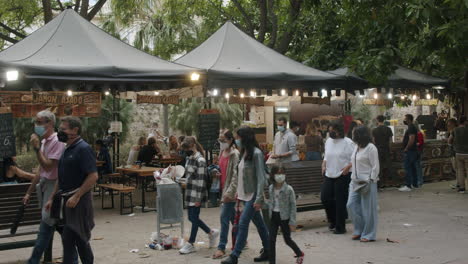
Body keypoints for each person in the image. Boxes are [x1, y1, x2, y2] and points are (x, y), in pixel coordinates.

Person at [45, 116, 98, 264]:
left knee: (74, 238)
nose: (60, 132)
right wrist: (51, 198)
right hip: (66, 202)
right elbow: (61, 177)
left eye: (63, 129)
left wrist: (77, 196)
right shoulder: (66, 148)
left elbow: (93, 176)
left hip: (78, 203)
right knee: (77, 240)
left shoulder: (83, 148)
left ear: (75, 130)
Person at [221, 126, 270, 264]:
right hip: (244, 195)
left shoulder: (256, 154)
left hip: (253, 195)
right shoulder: (244, 153)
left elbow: (261, 178)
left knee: (242, 223)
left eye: (238, 137)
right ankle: (268, 249)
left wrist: (259, 198)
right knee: (260, 224)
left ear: (245, 138)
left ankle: (234, 256)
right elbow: (241, 175)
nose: (236, 140)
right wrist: (237, 192)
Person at [23, 110, 66, 264]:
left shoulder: (56, 141)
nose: (37, 126)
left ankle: (33, 260)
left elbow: (48, 167)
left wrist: (36, 150)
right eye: (36, 122)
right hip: (45, 186)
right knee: (57, 224)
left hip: (54, 187)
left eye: (41, 122)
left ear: (51, 124)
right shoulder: (44, 142)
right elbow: (41, 170)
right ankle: (75, 254)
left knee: (47, 223)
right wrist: (28, 192)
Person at [179, 136, 219, 254]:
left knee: (194, 217)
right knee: (192, 217)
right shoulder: (189, 158)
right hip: (189, 192)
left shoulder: (200, 160)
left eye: (187, 148)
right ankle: (211, 233)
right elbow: (189, 176)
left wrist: (198, 198)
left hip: (196, 193)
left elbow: (202, 182)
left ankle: (191, 243)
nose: (186, 151)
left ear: (193, 146)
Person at [321, 121, 354, 234]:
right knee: (325, 197)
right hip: (329, 173)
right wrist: (324, 164)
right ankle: (332, 220)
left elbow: (355, 158)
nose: (331, 133)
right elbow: (326, 154)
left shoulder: (348, 142)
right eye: (329, 131)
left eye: (333, 131)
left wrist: (348, 167)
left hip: (342, 174)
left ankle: (340, 227)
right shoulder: (329, 141)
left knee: (340, 200)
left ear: (339, 131)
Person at [347, 126, 380, 242]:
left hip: (367, 181)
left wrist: (371, 180)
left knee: (369, 209)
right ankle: (359, 230)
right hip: (354, 181)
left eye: (353, 133)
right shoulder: (356, 147)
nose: (352, 135)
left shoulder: (371, 148)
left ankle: (369, 234)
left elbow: (375, 166)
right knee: (350, 205)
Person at [267, 164, 305, 264]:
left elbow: (293, 206)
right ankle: (272, 262)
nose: (280, 176)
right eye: (278, 173)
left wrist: (292, 221)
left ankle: (299, 253)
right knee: (271, 240)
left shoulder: (289, 189)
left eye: (282, 173)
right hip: (273, 216)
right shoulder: (271, 188)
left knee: (287, 239)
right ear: (273, 175)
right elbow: (271, 202)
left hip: (284, 217)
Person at [212, 130, 240, 259]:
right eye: (219, 140)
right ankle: (241, 240)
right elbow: (223, 169)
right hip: (223, 189)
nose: (221, 142)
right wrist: (217, 173)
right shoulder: (222, 152)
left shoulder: (235, 154)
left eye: (223, 140)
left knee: (224, 218)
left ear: (230, 140)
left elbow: (235, 175)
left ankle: (221, 247)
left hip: (230, 192)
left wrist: (229, 193)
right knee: (232, 218)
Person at [399, 114, 419, 191]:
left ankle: (408, 185)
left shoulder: (411, 127)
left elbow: (411, 139)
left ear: (408, 119)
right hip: (413, 150)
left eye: (405, 118)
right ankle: (414, 184)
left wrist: (406, 148)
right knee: (413, 168)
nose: (404, 120)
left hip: (410, 151)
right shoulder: (412, 127)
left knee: (407, 167)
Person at [449, 116, 468, 193]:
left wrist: (454, 146)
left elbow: (450, 140)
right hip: (467, 153)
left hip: (458, 153)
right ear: (464, 122)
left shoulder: (454, 130)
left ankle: (462, 188)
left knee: (460, 171)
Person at [372, 115, 393, 180]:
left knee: (379, 164)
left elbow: (373, 141)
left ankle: (379, 179)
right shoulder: (388, 129)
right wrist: (390, 149)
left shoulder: (374, 130)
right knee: (389, 164)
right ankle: (391, 178)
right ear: (383, 120)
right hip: (386, 148)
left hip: (378, 149)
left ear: (377, 120)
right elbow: (390, 141)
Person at [414, 121, 425, 187]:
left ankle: (420, 181)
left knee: (417, 166)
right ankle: (418, 180)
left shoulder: (418, 133)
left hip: (417, 151)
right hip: (417, 151)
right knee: (417, 166)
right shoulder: (419, 133)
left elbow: (420, 142)